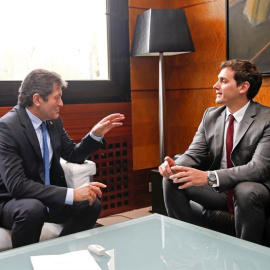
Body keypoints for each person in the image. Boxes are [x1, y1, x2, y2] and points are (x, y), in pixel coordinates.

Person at [0, 69, 125, 248]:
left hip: (45, 197)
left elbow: (73, 154)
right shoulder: (7, 128)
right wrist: (71, 194)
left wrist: (95, 134)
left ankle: (60, 252)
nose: (62, 103)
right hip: (11, 201)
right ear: (37, 99)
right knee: (32, 209)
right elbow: (17, 185)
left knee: (91, 204)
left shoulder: (53, 121)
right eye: (56, 97)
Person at [159, 59, 270, 244]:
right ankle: (184, 247)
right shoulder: (211, 116)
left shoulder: (266, 119)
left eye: (223, 81)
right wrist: (173, 167)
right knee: (172, 179)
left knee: (245, 190)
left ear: (243, 87)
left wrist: (210, 177)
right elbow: (193, 153)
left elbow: (258, 168)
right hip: (221, 190)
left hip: (255, 188)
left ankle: (247, 259)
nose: (215, 85)